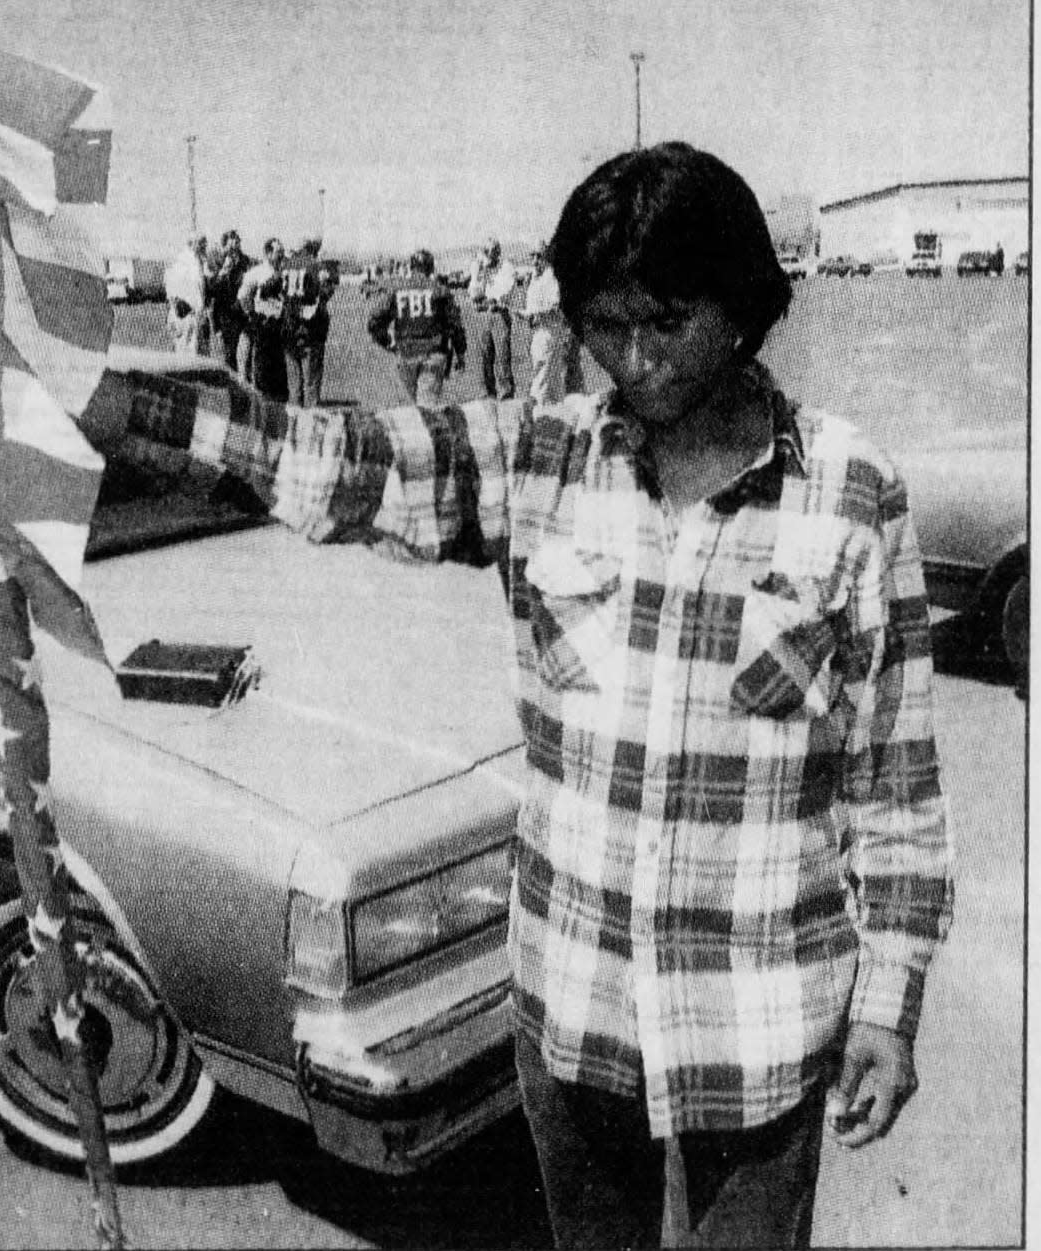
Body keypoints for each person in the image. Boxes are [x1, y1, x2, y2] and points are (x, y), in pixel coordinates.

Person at [122, 142, 953, 1250]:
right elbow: (334, 458)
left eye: (668, 320)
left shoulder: (851, 493)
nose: (639, 358)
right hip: (572, 1013)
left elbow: (894, 786)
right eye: (608, 326)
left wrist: (889, 1011)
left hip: (763, 1030)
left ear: (746, 303)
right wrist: (122, 411)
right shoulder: (539, 456)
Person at [366, 248, 466, 406]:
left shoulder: (397, 290)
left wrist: (386, 342)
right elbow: (455, 325)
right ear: (431, 268)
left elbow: (374, 320)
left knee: (411, 411)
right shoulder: (440, 291)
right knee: (428, 409)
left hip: (406, 354)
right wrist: (460, 353)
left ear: (411, 267)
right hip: (433, 354)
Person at [515, 240, 583, 403]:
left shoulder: (551, 277)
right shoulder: (534, 278)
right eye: (533, 256)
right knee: (552, 382)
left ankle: (538, 415)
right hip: (538, 332)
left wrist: (533, 314)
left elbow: (555, 305)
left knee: (542, 379)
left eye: (539, 256)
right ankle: (556, 415)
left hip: (549, 333)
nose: (535, 260)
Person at [237, 237, 288, 400]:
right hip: (264, 325)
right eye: (278, 252)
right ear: (268, 253)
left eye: (282, 252)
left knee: (279, 368)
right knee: (263, 369)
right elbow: (243, 296)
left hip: (280, 326)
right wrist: (252, 315)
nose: (281, 256)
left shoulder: (284, 272)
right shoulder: (257, 273)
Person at [468, 236, 517, 399]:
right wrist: (477, 273)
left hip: (499, 315)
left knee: (502, 357)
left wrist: (491, 299)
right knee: (484, 357)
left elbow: (506, 290)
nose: (489, 256)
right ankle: (488, 394)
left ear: (497, 252)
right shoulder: (480, 269)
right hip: (484, 315)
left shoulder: (506, 267)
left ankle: (506, 393)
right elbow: (473, 294)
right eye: (486, 252)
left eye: (491, 252)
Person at [281, 238, 329, 406]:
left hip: (288, 327)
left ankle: (294, 426)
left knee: (293, 385)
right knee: (311, 382)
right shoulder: (316, 265)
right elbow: (325, 293)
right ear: (313, 247)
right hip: (310, 328)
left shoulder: (285, 264)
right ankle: (309, 423)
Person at [208, 229, 252, 372]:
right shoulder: (217, 261)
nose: (235, 246)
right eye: (231, 243)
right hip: (226, 314)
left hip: (243, 312)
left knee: (247, 353)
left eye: (237, 241)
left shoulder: (245, 261)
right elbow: (213, 290)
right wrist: (224, 270)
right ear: (225, 244)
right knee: (230, 353)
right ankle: (233, 387)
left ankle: (247, 385)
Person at [164, 234, 211, 355]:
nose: (205, 246)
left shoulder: (199, 262)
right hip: (185, 317)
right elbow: (171, 292)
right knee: (186, 355)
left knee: (200, 355)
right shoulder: (182, 261)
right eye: (202, 243)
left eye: (205, 243)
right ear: (192, 244)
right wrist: (180, 310)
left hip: (197, 317)